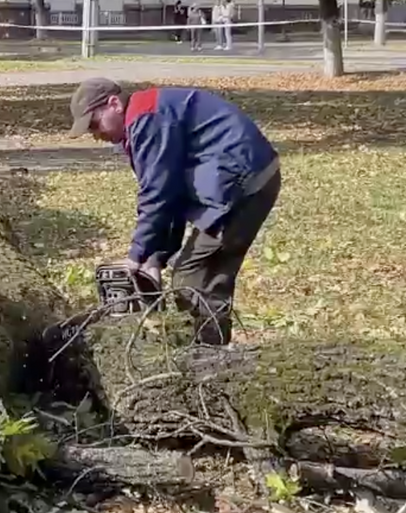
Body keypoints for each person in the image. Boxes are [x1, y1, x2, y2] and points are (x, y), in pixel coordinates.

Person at [69, 77, 281, 346]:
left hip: (244, 183)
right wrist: (156, 258)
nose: (96, 135)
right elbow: (171, 195)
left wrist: (137, 256)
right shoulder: (145, 117)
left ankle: (208, 357)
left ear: (114, 104)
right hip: (240, 178)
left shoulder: (148, 120)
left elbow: (157, 194)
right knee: (201, 273)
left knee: (194, 276)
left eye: (95, 124)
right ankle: (208, 350)